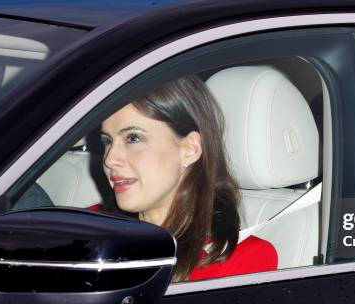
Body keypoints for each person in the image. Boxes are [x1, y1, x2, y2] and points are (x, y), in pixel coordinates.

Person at [100, 75, 277, 282]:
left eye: (133, 138)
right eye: (107, 141)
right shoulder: (89, 225)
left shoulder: (244, 261)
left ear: (190, 149)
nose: (110, 159)